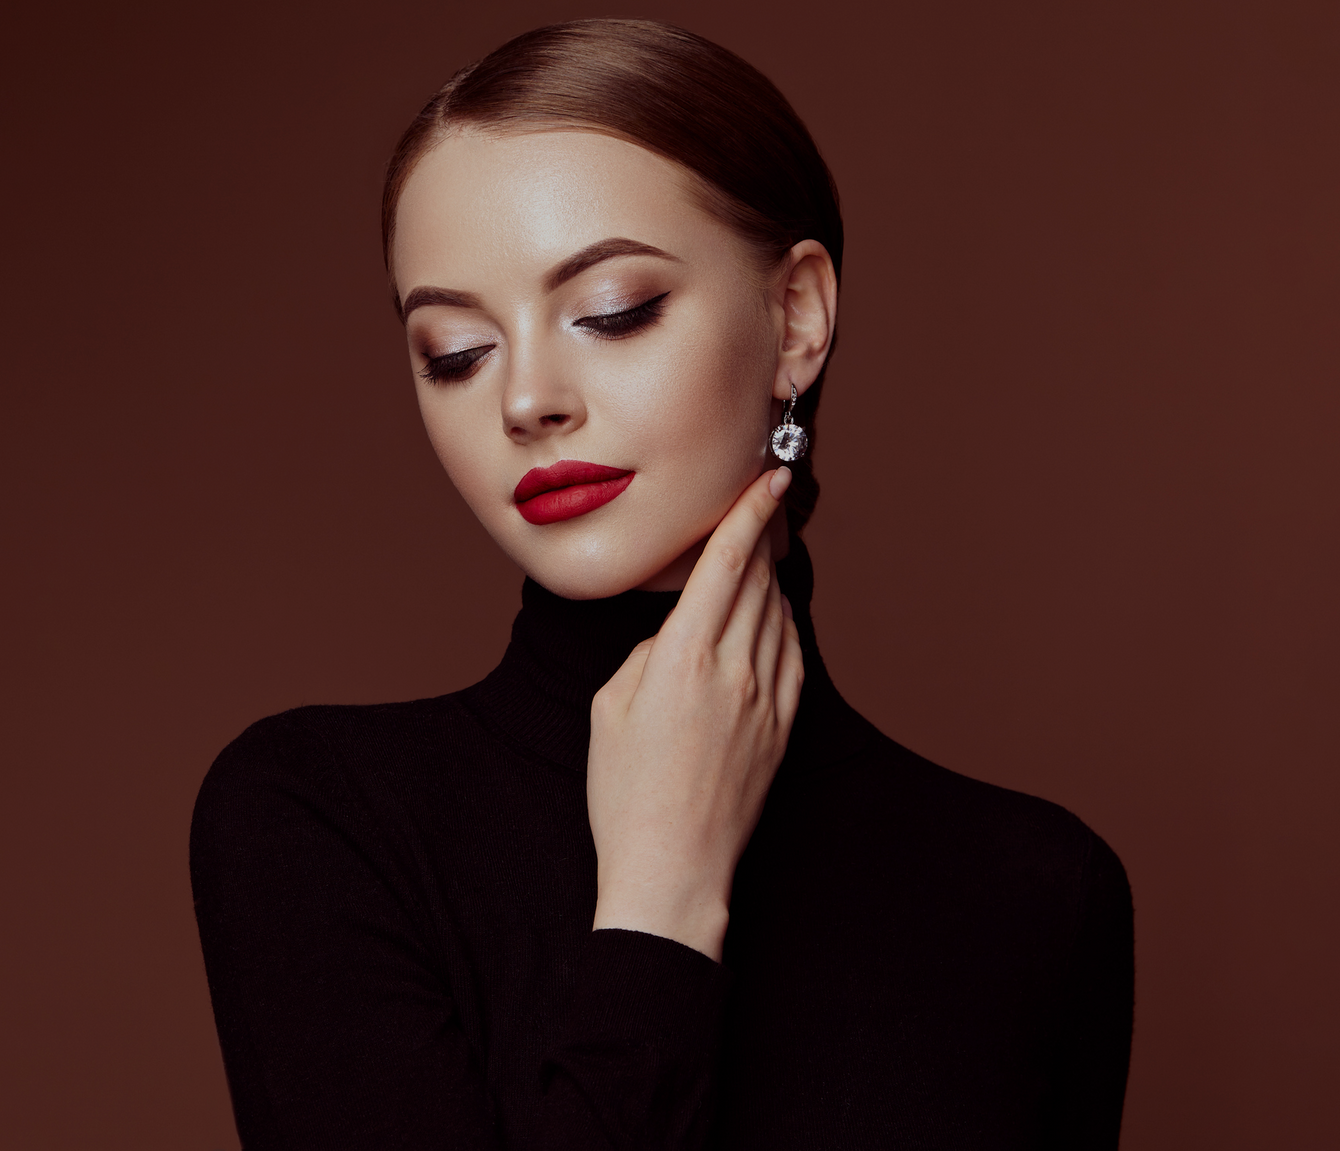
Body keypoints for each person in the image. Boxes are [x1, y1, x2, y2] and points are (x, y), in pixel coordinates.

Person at [190, 19, 1133, 1150]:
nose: (526, 399)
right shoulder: (316, 818)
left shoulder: (1035, 891)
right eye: (455, 350)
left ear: (796, 317)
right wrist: (659, 903)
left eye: (611, 312)